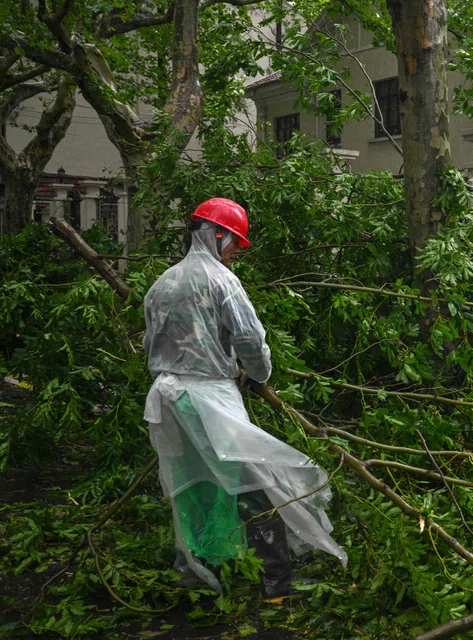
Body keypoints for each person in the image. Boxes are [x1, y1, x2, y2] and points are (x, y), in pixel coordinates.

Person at [143, 198, 346, 598]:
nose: (238, 249)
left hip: (167, 401)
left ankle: (193, 573)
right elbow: (250, 339)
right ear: (215, 234)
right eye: (235, 240)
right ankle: (277, 580)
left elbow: (151, 342)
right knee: (253, 482)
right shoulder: (221, 281)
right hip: (209, 398)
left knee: (190, 484)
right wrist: (259, 374)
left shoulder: (161, 283)